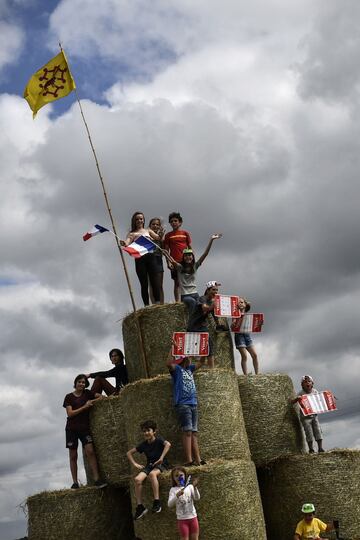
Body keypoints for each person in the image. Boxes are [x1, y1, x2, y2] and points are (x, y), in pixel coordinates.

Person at [63, 374, 107, 489]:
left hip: (84, 428)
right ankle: (75, 482)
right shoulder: (69, 397)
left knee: (90, 452)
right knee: (73, 455)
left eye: (83, 382)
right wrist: (84, 406)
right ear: (75, 383)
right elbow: (70, 413)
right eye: (79, 382)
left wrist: (94, 399)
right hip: (71, 429)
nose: (81, 384)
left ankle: (97, 480)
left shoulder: (88, 393)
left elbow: (101, 397)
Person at [166, 350, 206, 466]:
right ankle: (189, 460)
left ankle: (198, 459)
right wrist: (172, 348)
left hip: (193, 403)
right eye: (188, 357)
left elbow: (202, 362)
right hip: (183, 404)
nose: (190, 359)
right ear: (183, 359)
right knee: (187, 431)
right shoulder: (177, 370)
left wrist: (204, 349)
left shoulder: (190, 369)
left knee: (194, 432)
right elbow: (168, 364)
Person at [165, 234, 222, 314]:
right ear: (183, 258)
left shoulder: (195, 266)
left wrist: (211, 240)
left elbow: (205, 254)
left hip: (195, 293)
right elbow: (172, 261)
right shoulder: (180, 267)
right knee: (192, 302)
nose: (188, 257)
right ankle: (192, 323)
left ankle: (203, 319)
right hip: (185, 295)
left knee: (202, 305)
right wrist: (166, 254)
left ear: (192, 257)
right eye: (186, 256)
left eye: (190, 255)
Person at [126, 420, 171, 519]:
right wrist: (135, 464)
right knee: (137, 480)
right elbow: (129, 453)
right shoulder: (143, 444)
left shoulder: (159, 440)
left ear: (154, 431)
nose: (146, 433)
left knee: (152, 475)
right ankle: (140, 506)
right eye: (144, 431)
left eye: (148, 430)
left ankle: (157, 502)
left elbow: (168, 444)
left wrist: (161, 458)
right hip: (150, 465)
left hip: (162, 464)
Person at [122, 211, 161, 306]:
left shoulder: (148, 230)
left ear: (143, 220)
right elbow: (127, 243)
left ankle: (157, 303)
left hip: (151, 257)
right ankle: (146, 305)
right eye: (137, 219)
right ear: (134, 221)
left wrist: (161, 234)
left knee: (155, 281)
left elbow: (157, 238)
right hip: (140, 259)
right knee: (144, 284)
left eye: (141, 219)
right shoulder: (132, 234)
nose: (139, 220)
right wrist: (123, 243)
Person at [186, 281, 222, 369]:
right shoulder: (202, 298)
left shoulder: (213, 301)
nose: (216, 292)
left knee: (209, 345)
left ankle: (212, 370)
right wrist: (212, 306)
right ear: (208, 290)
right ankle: (186, 369)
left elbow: (215, 315)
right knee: (191, 349)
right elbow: (204, 308)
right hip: (193, 326)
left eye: (217, 290)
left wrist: (218, 325)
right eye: (213, 290)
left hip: (202, 327)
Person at [292, 375, 325, 453]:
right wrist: (297, 399)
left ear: (312, 383)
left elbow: (320, 399)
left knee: (318, 430)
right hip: (305, 417)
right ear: (302, 385)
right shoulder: (300, 393)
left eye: (309, 381)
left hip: (314, 415)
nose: (307, 383)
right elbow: (292, 401)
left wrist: (326, 397)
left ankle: (320, 447)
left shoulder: (315, 391)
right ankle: (311, 449)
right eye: (305, 382)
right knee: (308, 432)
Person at [164, 212, 192, 302]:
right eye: (171, 221)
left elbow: (190, 248)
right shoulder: (168, 235)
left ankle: (186, 299)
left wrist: (192, 260)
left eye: (175, 221)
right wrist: (168, 262)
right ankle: (177, 301)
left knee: (186, 281)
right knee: (177, 282)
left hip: (185, 261)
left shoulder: (185, 233)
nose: (173, 223)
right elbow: (166, 250)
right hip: (174, 261)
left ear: (180, 222)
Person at [168, 466, 200, 540]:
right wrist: (177, 495)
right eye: (176, 476)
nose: (179, 477)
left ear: (185, 475)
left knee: (195, 538)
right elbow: (169, 504)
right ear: (173, 478)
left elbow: (197, 498)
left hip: (193, 518)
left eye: (181, 475)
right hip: (182, 520)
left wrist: (195, 488)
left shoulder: (190, 487)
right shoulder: (173, 490)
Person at [232, 297, 260, 375]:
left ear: (245, 304)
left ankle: (257, 374)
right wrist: (233, 324)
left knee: (254, 355)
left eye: (242, 302)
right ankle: (246, 375)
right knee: (244, 356)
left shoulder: (248, 316)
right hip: (239, 336)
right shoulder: (235, 315)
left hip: (247, 336)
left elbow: (253, 325)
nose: (240, 303)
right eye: (239, 302)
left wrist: (259, 323)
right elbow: (232, 327)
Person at [148, 217, 166, 304]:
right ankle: (154, 304)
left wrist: (161, 238)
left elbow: (164, 248)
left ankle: (162, 305)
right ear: (150, 226)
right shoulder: (146, 235)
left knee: (159, 285)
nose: (155, 226)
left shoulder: (161, 236)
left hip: (158, 259)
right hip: (149, 259)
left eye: (157, 224)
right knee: (151, 285)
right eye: (153, 224)